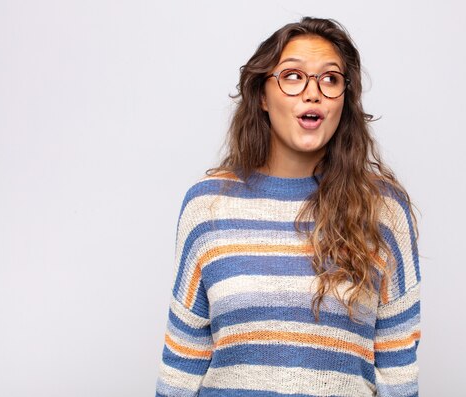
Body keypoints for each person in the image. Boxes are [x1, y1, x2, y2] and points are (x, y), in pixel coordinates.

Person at [155, 16, 421, 397]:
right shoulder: (208, 205)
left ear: (344, 101)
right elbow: (183, 360)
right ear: (262, 96)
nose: (312, 93)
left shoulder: (382, 210)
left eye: (330, 79)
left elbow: (398, 371)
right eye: (293, 76)